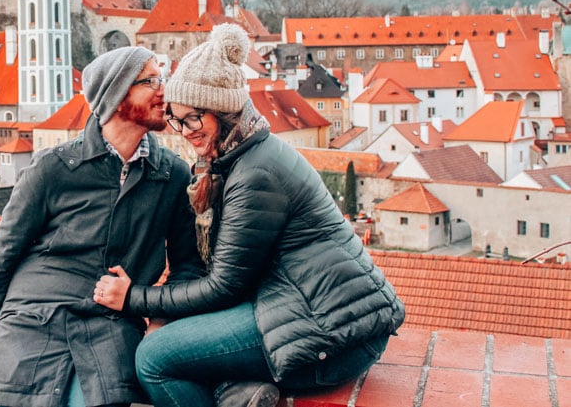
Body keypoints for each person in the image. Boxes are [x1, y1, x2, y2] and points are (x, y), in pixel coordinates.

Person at [94, 24, 405, 407]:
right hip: (301, 305)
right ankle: (235, 392)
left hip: (334, 332)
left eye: (193, 118)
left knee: (155, 359)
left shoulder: (255, 173)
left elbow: (224, 286)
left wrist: (135, 299)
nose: (185, 131)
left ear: (223, 111)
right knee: (179, 341)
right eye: (177, 119)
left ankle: (231, 391)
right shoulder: (237, 156)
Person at [0, 46, 205, 407]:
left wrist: (158, 323)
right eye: (151, 81)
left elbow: (188, 264)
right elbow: (3, 255)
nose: (165, 91)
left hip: (110, 325)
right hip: (33, 319)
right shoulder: (54, 167)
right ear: (117, 95)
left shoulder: (171, 175)